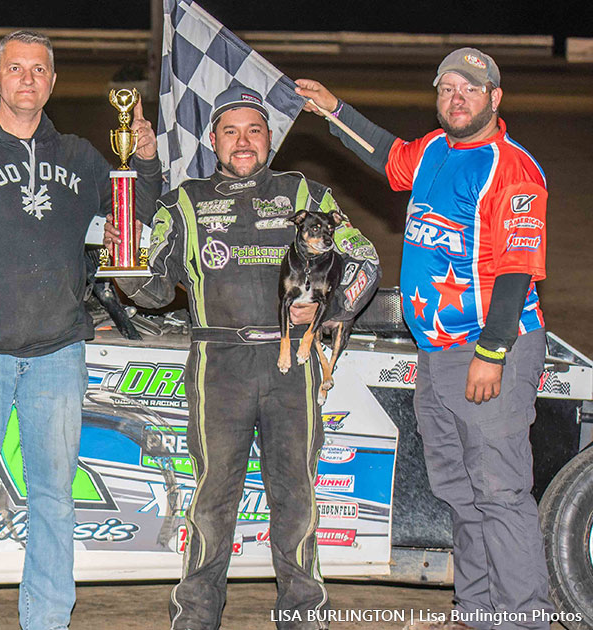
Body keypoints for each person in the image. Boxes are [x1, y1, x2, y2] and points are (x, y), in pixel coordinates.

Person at [0, 30, 161, 630]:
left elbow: (135, 218)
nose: (28, 79)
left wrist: (146, 161)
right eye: (16, 68)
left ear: (53, 81)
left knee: (54, 495)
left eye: (39, 69)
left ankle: (48, 618)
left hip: (57, 352)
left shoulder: (80, 155)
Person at [296, 48, 552, 630]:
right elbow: (388, 156)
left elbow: (517, 270)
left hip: (488, 349)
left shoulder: (511, 167)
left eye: (470, 89)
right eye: (447, 89)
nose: (457, 99)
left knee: (500, 491)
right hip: (436, 353)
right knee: (460, 490)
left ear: (494, 98)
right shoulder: (435, 149)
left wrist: (492, 352)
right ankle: (478, 613)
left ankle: (525, 619)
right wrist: (335, 110)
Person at [109, 86, 380, 630]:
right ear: (213, 140)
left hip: (291, 365)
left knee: (296, 499)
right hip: (219, 365)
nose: (243, 141)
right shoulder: (183, 202)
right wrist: (125, 264)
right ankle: (195, 617)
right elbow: (156, 292)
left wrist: (330, 314)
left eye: (254, 130)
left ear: (269, 138)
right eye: (230, 131)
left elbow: (365, 260)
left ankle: (304, 618)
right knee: (211, 501)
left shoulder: (303, 192)